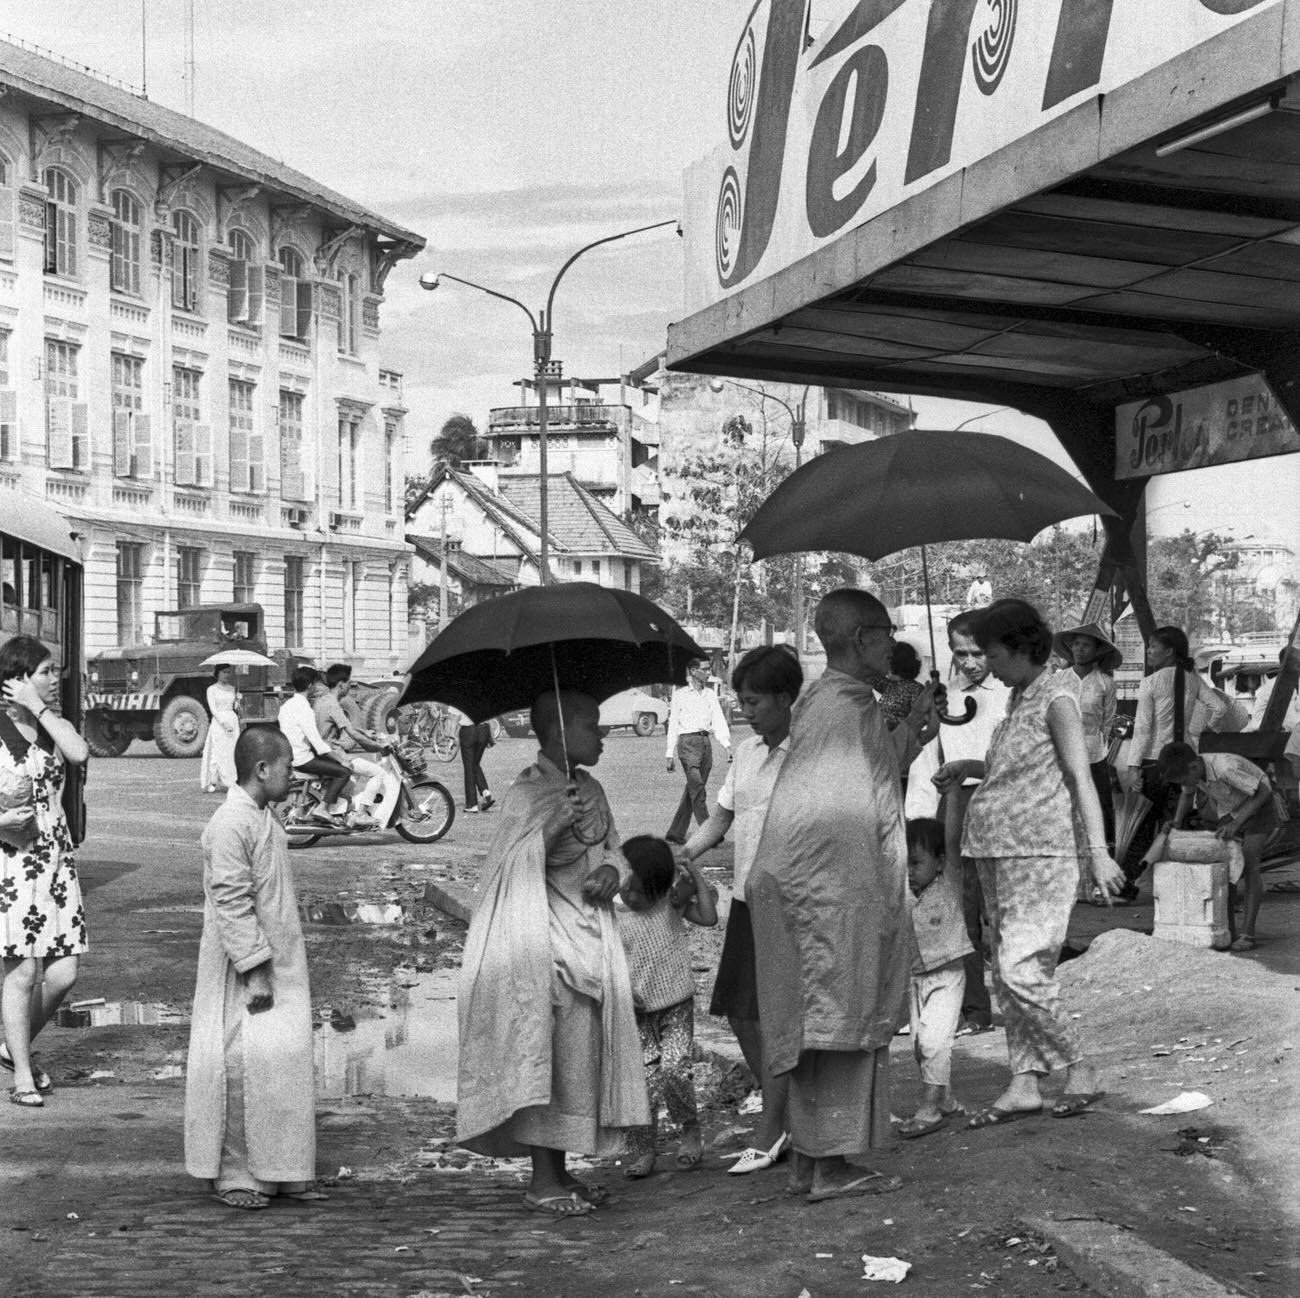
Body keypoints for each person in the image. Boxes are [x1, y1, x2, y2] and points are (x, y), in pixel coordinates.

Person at [747, 589, 937, 1202]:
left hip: (823, 889)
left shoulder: (841, 703)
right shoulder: (842, 707)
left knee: (826, 1024)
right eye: (885, 632)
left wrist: (914, 723)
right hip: (830, 893)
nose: (892, 643)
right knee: (837, 1022)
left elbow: (873, 774)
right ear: (861, 639)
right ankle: (828, 1167)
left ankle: (812, 1159)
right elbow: (844, 812)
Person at [455, 689, 648, 1216]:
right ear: (561, 731)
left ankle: (561, 1171)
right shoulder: (529, 793)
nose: (602, 734)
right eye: (592, 725)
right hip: (546, 946)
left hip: (592, 943)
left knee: (579, 1061)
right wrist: (551, 827)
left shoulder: (591, 789)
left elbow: (613, 848)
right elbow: (507, 867)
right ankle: (542, 1180)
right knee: (550, 1057)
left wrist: (613, 869)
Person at [935, 599, 1124, 1127]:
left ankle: (1079, 1069)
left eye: (989, 652)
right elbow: (1011, 771)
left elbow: (1080, 776)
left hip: (1041, 854)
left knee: (1020, 970)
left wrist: (1099, 851)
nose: (984, 665)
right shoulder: (1018, 698)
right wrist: (966, 766)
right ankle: (1024, 1082)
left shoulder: (1058, 696)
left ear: (1019, 646)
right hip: (996, 851)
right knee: (1011, 972)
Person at [184, 727, 325, 1209]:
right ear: (263, 769)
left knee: (280, 1063)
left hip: (281, 957)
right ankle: (237, 1171)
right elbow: (231, 899)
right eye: (287, 766)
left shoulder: (263, 816)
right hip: (246, 967)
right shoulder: (230, 822)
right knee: (241, 1064)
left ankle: (281, 1167)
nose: (293, 774)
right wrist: (253, 967)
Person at [681, 645, 801, 1176]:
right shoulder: (748, 753)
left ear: (785, 698)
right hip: (747, 898)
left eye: (754, 701)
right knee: (737, 1008)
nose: (746, 711)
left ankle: (774, 1127)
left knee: (775, 1016)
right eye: (741, 701)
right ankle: (787, 1111)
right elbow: (722, 817)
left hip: (793, 903)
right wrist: (684, 852)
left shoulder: (811, 755)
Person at [905, 611, 1010, 1034]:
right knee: (959, 911)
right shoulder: (941, 696)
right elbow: (926, 763)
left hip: (1003, 809)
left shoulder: (1010, 694)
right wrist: (919, 820)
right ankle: (973, 1009)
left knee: (1003, 915)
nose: (968, 662)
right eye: (959, 653)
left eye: (978, 652)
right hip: (954, 810)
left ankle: (1017, 1004)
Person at [0, 635, 90, 1108]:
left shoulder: (54, 726)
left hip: (55, 859)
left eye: (55, 671)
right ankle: (22, 1076)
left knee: (63, 974)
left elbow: (78, 753)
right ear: (17, 680)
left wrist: (38, 709)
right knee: (21, 971)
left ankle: (9, 1048)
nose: (56, 679)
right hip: (10, 859)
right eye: (45, 672)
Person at [617, 834, 717, 1179]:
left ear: (659, 889)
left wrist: (695, 876)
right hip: (638, 1013)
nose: (629, 895)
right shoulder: (615, 918)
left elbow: (709, 917)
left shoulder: (672, 904)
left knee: (674, 1069)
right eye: (625, 887)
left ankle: (689, 1131)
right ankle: (644, 1149)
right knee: (642, 1082)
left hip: (676, 1006)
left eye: (638, 891)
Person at [1121, 626, 1227, 895]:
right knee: (1181, 823)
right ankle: (1183, 885)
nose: (1149, 652)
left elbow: (1143, 728)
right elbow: (1220, 707)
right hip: (1186, 761)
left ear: (1169, 652)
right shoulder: (1193, 680)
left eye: (1153, 647)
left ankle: (1128, 887)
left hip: (1155, 761)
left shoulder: (1151, 682)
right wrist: (1199, 732)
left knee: (1143, 826)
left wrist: (1133, 767)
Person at [1158, 741, 1277, 953]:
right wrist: (1176, 821)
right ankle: (1226, 930)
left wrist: (1236, 823)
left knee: (1250, 864)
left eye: (1184, 779)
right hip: (1231, 808)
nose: (1185, 783)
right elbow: (1187, 793)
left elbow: (1264, 792)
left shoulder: (1224, 767)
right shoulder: (1193, 768)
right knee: (1225, 866)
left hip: (1260, 807)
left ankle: (1248, 933)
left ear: (1194, 767)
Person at [899, 814, 971, 1139]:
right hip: (916, 980)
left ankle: (928, 1110)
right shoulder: (907, 896)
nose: (909, 872)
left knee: (933, 1041)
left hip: (948, 976)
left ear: (940, 861)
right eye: (905, 864)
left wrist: (954, 792)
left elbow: (952, 839)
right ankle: (946, 1100)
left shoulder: (950, 883)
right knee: (920, 1045)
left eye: (916, 863)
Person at [1054, 622, 1121, 855]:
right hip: (1061, 752)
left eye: (1086, 646)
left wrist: (1098, 745)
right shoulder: (1058, 679)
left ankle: (1103, 858)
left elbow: (1108, 721)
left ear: (1097, 651)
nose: (1080, 649)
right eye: (1077, 645)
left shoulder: (1106, 683)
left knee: (1100, 807)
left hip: (1094, 753)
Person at [313, 664, 396, 827]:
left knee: (354, 775)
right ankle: (361, 813)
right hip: (333, 754)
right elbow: (352, 733)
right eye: (349, 685)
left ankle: (346, 809)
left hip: (323, 752)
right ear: (341, 684)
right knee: (377, 772)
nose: (349, 689)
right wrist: (378, 747)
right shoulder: (333, 704)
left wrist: (365, 731)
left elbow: (339, 725)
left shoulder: (322, 701)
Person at [664, 657, 731, 844]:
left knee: (693, 789)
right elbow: (673, 724)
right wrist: (669, 753)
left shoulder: (709, 694)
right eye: (705, 669)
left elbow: (718, 719)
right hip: (687, 744)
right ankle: (710, 833)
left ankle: (675, 832)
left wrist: (726, 745)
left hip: (705, 743)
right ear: (693, 671)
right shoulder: (680, 695)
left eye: (708, 669)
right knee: (698, 789)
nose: (708, 672)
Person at [277, 667, 352, 825]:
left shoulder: (286, 706)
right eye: (318, 684)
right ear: (311, 686)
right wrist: (340, 759)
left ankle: (330, 803)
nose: (321, 688)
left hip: (289, 756)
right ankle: (323, 808)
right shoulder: (305, 709)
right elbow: (318, 744)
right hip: (303, 759)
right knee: (344, 772)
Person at [200, 664, 241, 794]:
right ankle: (212, 781)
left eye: (228, 672)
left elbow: (235, 708)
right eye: (224, 672)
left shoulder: (232, 689)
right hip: (219, 721)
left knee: (231, 750)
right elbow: (213, 709)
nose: (226, 675)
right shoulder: (211, 689)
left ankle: (231, 780)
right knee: (216, 751)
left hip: (232, 719)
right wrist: (224, 723)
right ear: (217, 673)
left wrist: (238, 701)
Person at [448, 704, 495, 814]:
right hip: (484, 730)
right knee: (475, 764)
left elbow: (454, 717)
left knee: (469, 767)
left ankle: (472, 804)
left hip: (468, 731)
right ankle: (485, 791)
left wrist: (451, 737)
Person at [877, 640, 926, 732]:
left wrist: (889, 720)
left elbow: (918, 720)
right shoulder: (889, 685)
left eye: (887, 660)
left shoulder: (916, 689)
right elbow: (868, 675)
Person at [1248, 650, 1300, 731]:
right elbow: (1290, 721)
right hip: (1268, 732)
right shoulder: (1278, 685)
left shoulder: (1295, 681)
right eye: (1297, 663)